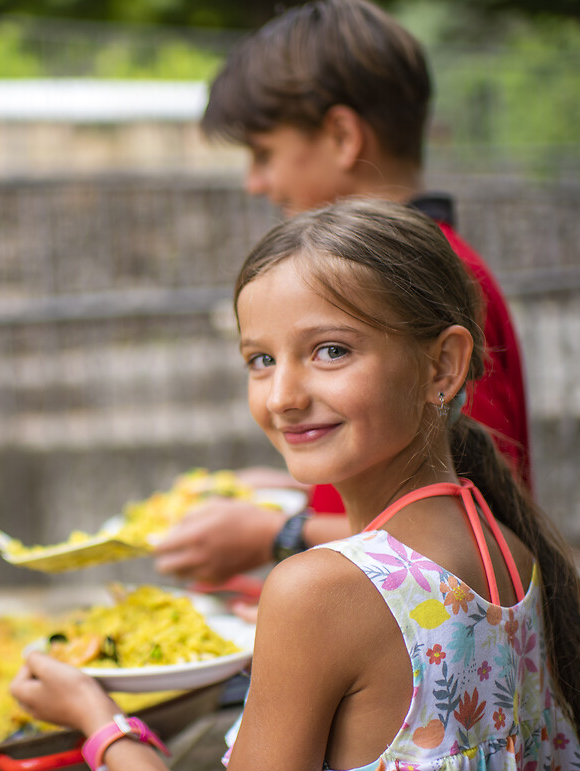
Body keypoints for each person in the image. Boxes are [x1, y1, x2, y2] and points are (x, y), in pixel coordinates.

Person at [11, 199, 580, 771]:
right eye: (260, 359)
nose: (282, 395)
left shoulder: (316, 594)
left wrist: (100, 724)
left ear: (442, 367)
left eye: (330, 351)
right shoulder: (509, 551)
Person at [153, 0, 531, 588]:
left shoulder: (443, 280)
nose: (256, 183)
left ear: (341, 135)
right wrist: (290, 496)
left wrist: (281, 537)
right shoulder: (442, 264)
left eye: (264, 154)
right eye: (261, 361)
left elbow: (472, 522)